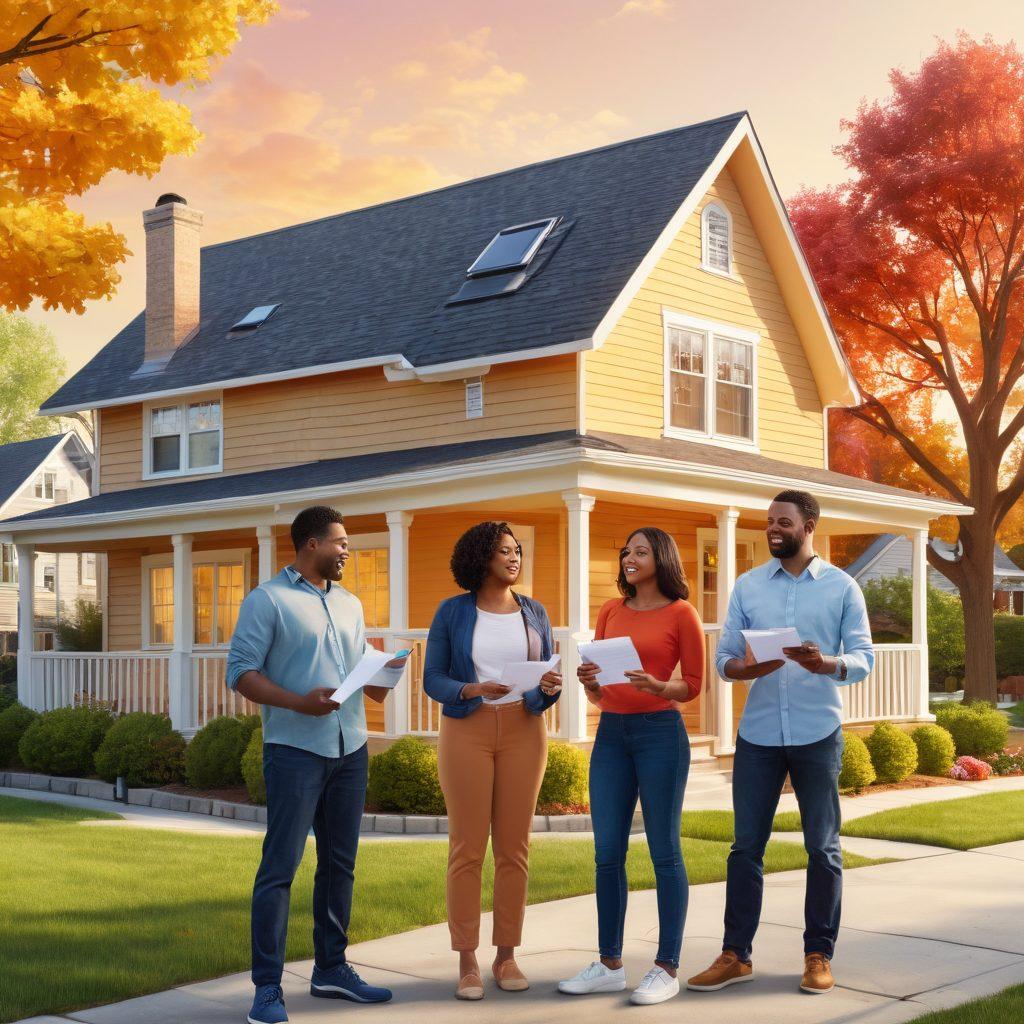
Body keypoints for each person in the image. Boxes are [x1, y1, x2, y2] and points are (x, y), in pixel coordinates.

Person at [686, 489, 874, 997]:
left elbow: (863, 657)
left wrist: (827, 664)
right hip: (759, 735)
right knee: (745, 848)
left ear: (808, 524)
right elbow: (724, 657)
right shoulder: (748, 587)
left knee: (823, 848)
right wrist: (745, 667)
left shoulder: (842, 588)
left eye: (783, 521)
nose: (773, 528)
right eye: (769, 521)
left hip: (818, 732)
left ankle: (818, 955)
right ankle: (735, 955)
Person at [227, 506, 403, 1024]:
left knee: (340, 865)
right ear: (311, 545)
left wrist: (379, 676)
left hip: (350, 749)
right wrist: (299, 701)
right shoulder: (268, 601)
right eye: (340, 541)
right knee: (280, 868)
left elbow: (355, 671)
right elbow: (240, 672)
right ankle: (267, 989)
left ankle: (331, 968)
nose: (347, 549)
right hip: (294, 751)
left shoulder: (348, 604)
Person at [559, 527, 704, 1006]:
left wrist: (659, 687)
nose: (629, 557)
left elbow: (694, 685)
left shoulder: (683, 613)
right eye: (626, 551)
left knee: (665, 851)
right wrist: (589, 684)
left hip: (661, 734)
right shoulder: (610, 610)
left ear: (661, 558)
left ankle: (666, 967)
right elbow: (602, 686)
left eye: (641, 551)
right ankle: (609, 963)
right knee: (607, 855)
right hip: (612, 735)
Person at [423, 521, 562, 1001]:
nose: (514, 557)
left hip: (525, 732)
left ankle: (506, 955)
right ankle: (467, 961)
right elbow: (433, 678)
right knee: (467, 848)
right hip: (468, 729)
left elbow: (545, 677)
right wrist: (471, 688)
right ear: (482, 558)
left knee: (514, 847)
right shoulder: (453, 612)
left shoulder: (535, 612)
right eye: (505, 550)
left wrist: (549, 688)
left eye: (518, 550)